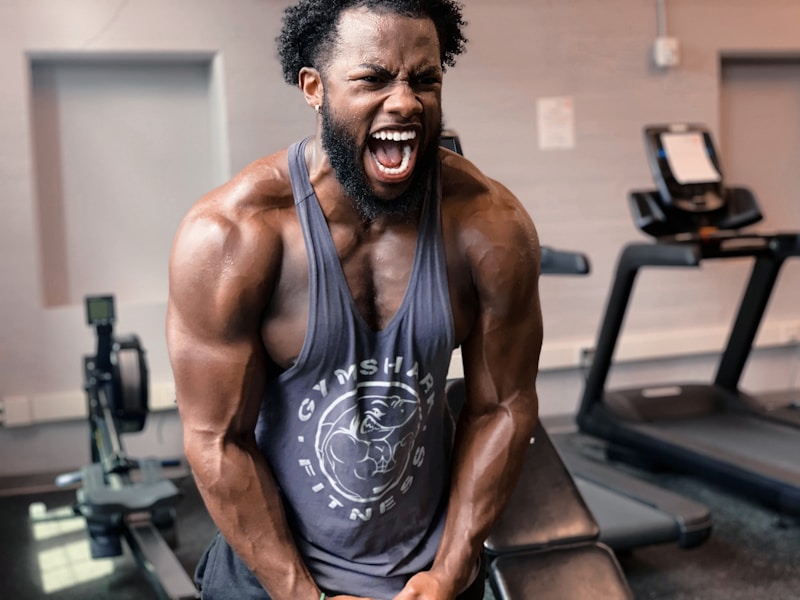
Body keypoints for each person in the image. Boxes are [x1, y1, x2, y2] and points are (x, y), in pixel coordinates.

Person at [166, 1, 542, 599]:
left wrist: (449, 570)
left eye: (424, 79)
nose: (405, 102)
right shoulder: (235, 235)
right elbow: (216, 440)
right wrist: (301, 594)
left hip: (432, 572)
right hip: (275, 578)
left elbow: (503, 407)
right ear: (314, 88)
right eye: (373, 78)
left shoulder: (488, 226)